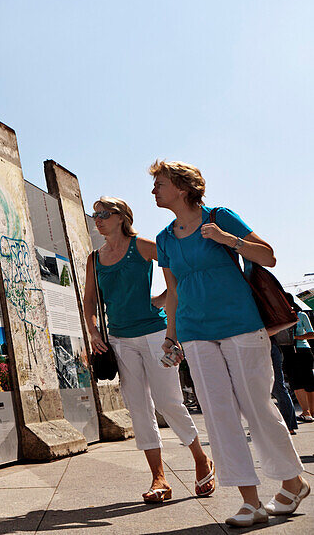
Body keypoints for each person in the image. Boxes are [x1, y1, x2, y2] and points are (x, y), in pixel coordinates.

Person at [151, 160, 307, 525]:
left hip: (240, 323)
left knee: (256, 405)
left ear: (182, 186)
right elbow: (173, 291)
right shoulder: (164, 238)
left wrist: (228, 240)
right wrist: (171, 336)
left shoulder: (219, 216)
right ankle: (249, 501)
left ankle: (292, 481)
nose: (153, 190)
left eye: (159, 183)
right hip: (194, 331)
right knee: (219, 415)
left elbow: (267, 255)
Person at [83, 196, 214, 504]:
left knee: (169, 402)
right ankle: (159, 478)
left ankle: (200, 458)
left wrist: (162, 299)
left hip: (156, 334)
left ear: (121, 216)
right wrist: (93, 331)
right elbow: (89, 300)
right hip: (119, 340)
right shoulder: (94, 258)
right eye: (95, 214)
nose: (98, 219)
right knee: (138, 408)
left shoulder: (140, 245)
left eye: (104, 213)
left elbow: (178, 272)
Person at [282, 303, 314, 422]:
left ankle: (307, 412)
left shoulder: (286, 316)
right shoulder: (301, 315)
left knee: (299, 383)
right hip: (303, 351)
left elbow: (312, 334)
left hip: (294, 351)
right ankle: (310, 412)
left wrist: (294, 338)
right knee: (307, 381)